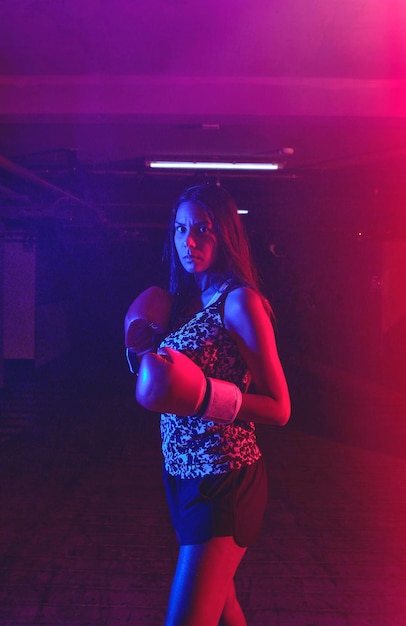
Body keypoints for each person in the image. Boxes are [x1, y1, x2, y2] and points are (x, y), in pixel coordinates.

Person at [125, 183, 291, 626]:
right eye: (181, 229)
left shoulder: (240, 303)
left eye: (202, 229)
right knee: (223, 611)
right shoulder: (183, 304)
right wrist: (141, 353)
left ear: (225, 234)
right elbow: (163, 384)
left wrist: (205, 398)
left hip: (225, 479)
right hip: (181, 477)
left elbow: (280, 406)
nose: (189, 241)